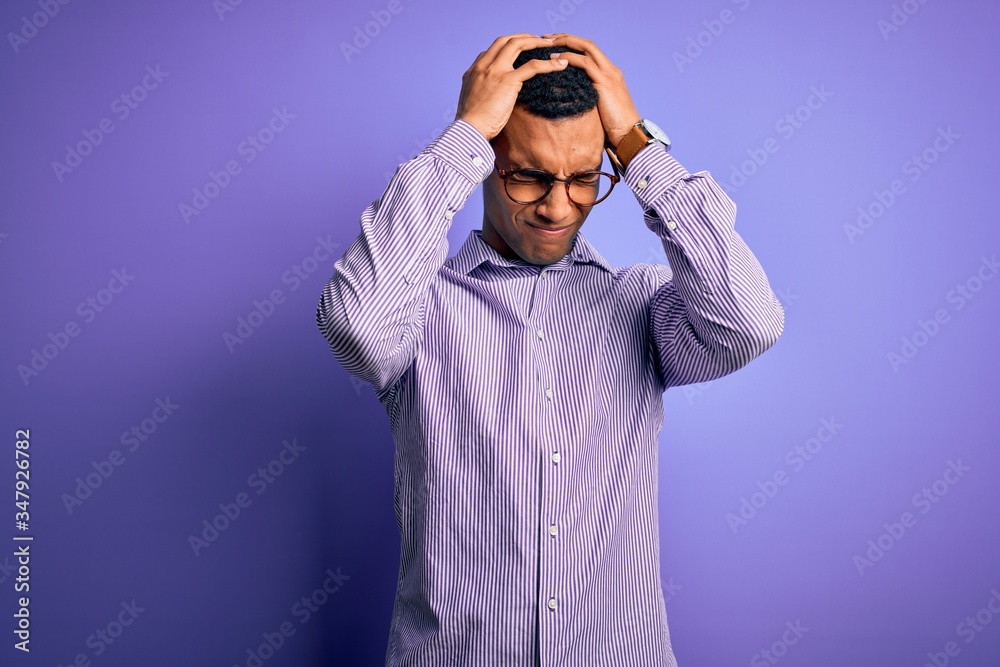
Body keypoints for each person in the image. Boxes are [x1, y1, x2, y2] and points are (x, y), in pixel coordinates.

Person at [317, 32, 784, 667]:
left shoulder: (642, 305)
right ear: (487, 161)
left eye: (584, 178)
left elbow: (748, 322)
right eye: (529, 176)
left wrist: (639, 149)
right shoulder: (417, 309)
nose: (559, 206)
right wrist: (462, 138)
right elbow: (357, 327)